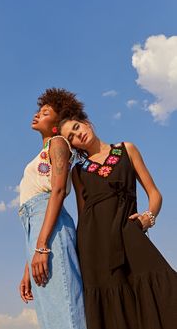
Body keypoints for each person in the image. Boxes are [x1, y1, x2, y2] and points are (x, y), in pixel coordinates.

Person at [59, 115, 177, 329]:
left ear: (87, 122)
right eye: (71, 137)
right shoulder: (78, 171)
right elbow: (82, 214)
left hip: (129, 232)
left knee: (165, 288)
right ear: (72, 145)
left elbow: (155, 194)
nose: (78, 135)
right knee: (113, 311)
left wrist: (148, 218)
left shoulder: (126, 149)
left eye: (77, 127)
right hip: (95, 247)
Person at [18, 88, 87, 329]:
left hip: (50, 231)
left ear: (57, 124)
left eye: (45, 112)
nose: (37, 114)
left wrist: (42, 247)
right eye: (39, 110)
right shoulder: (42, 152)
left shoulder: (58, 143)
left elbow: (56, 192)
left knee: (65, 308)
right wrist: (29, 264)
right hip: (39, 231)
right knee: (51, 315)